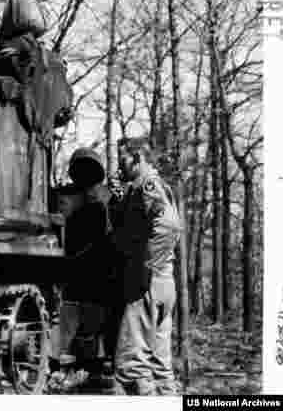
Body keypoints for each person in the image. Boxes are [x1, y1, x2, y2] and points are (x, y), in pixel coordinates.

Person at [111, 136, 183, 396]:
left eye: (123, 161)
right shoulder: (138, 188)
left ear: (138, 158)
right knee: (160, 367)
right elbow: (131, 229)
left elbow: (169, 225)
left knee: (132, 367)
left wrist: (147, 265)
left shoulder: (148, 184)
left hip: (148, 284)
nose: (119, 167)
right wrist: (118, 200)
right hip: (162, 283)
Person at [57, 148, 116, 377]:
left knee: (91, 324)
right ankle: (85, 366)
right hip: (80, 271)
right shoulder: (76, 196)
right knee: (81, 323)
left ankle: (91, 367)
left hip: (94, 271)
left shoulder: (102, 197)